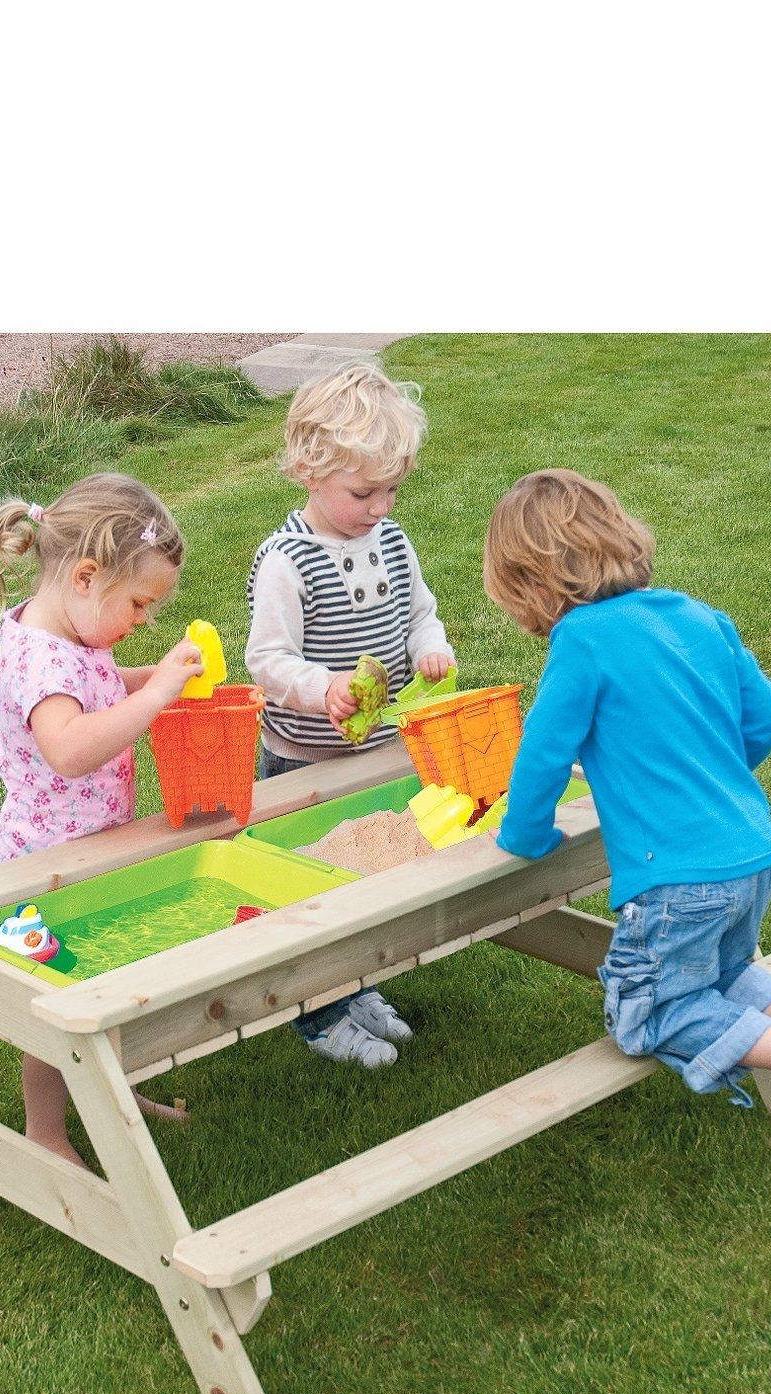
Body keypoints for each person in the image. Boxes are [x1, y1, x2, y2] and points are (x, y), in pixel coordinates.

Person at [484, 469, 771, 1134]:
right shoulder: (696, 615)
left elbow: (543, 755)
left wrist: (526, 836)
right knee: (716, 978)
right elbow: (767, 715)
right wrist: (710, 777)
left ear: (532, 585)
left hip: (677, 882)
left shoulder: (582, 640)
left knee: (643, 1013)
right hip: (751, 853)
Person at [0, 471, 203, 1161]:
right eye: (138, 604)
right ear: (85, 577)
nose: (141, 622)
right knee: (55, 1006)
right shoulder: (40, 659)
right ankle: (45, 1131)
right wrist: (158, 692)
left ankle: (105, 1085)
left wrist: (151, 676)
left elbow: (101, 687)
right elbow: (70, 748)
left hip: (88, 852)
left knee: (101, 975)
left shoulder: (77, 643)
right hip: (44, 868)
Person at [245, 362, 456, 1068]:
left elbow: (421, 615)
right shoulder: (287, 563)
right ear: (308, 469)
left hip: (377, 751)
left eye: (392, 489)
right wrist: (321, 688)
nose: (381, 508)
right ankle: (318, 1012)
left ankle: (355, 984)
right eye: (363, 492)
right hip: (303, 758)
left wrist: (431, 650)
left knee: (370, 877)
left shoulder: (392, 544)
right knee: (311, 891)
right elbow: (267, 662)